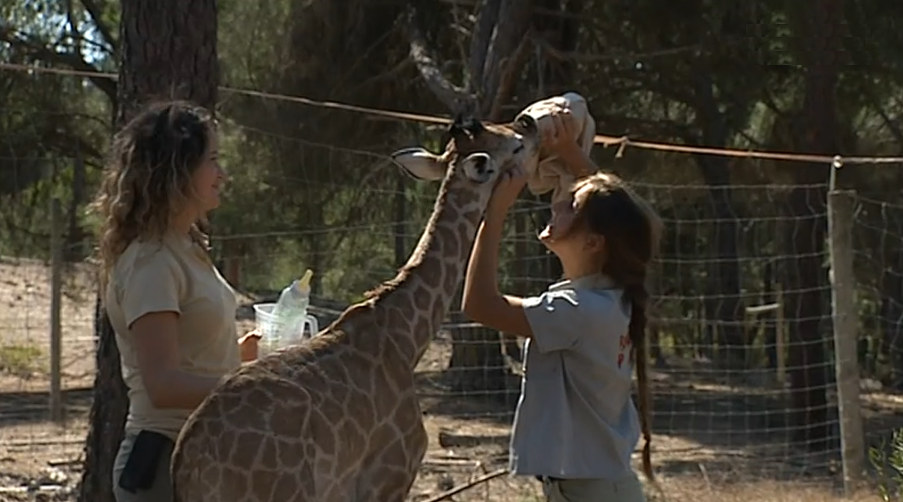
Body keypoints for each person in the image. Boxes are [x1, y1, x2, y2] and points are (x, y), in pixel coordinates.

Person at [462, 110, 662, 502]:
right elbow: (621, 214)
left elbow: (480, 305)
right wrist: (567, 150)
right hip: (598, 490)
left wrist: (495, 212)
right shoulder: (612, 297)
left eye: (570, 206)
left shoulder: (578, 310)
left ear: (594, 243)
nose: (557, 204)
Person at [91, 100, 261, 502]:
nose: (222, 174)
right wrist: (250, 386)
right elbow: (164, 384)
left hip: (204, 455)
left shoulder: (184, 246)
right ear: (178, 170)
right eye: (212, 160)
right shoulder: (152, 262)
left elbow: (190, 360)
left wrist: (243, 356)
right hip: (166, 466)